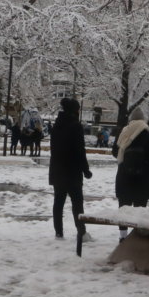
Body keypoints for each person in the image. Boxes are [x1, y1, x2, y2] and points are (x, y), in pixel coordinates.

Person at [113, 108, 149, 233]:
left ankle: (122, 235)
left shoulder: (123, 134)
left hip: (124, 177)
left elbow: (115, 152)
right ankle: (136, 234)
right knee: (139, 209)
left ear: (131, 120)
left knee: (124, 209)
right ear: (143, 121)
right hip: (143, 180)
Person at [48, 97, 93, 241]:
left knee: (58, 202)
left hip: (57, 170)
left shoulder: (57, 125)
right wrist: (86, 170)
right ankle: (81, 232)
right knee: (77, 203)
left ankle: (58, 232)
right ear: (74, 111)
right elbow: (80, 151)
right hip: (72, 171)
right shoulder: (75, 126)